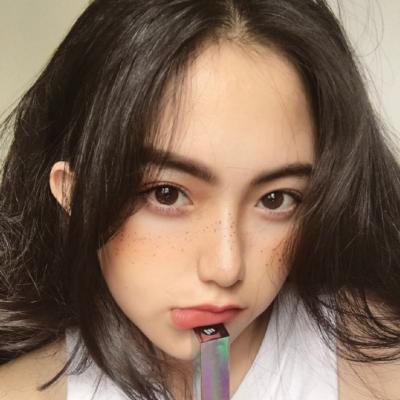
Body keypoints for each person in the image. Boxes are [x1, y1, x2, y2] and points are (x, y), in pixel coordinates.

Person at [0, 0, 399, 399]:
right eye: (167, 194)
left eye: (276, 199)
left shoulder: (380, 369)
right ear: (74, 192)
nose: (226, 269)